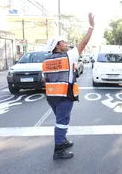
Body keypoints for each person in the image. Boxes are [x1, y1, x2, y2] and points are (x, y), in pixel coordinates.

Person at [42, 13, 95, 160]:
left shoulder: (46, 60)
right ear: (58, 45)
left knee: (60, 120)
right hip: (64, 96)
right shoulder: (68, 56)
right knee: (62, 122)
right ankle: (58, 150)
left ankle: (62, 141)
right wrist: (91, 27)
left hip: (51, 97)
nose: (67, 43)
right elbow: (83, 44)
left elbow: (45, 80)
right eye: (64, 42)